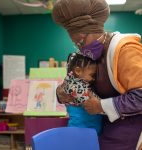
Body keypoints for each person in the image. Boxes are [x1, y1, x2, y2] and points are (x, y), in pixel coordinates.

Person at [52, 0, 142, 150]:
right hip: (103, 125)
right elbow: (74, 83)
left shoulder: (125, 50)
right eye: (76, 44)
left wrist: (100, 106)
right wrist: (60, 93)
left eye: (81, 41)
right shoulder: (87, 55)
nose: (80, 48)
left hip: (130, 128)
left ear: (95, 29)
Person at [62, 52, 102, 134]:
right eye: (92, 75)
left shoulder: (79, 83)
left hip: (88, 128)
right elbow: (91, 102)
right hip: (80, 129)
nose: (94, 79)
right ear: (78, 71)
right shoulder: (74, 86)